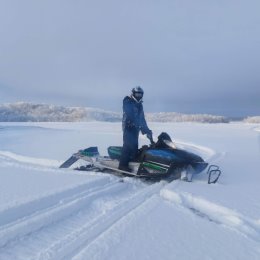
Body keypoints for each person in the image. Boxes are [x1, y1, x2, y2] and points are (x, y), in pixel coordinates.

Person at [119, 86, 153, 172]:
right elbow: (129, 112)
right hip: (128, 126)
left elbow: (142, 118)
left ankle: (132, 162)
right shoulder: (127, 101)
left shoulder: (140, 105)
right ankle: (122, 165)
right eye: (137, 94)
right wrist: (135, 122)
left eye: (140, 94)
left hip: (135, 128)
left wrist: (146, 130)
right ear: (133, 93)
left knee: (134, 146)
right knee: (127, 145)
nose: (138, 96)